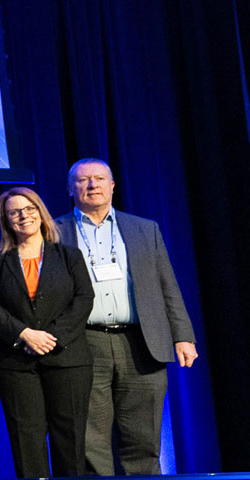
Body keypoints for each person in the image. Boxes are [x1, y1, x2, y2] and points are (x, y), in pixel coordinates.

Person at [54, 159, 198, 476]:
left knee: (143, 438)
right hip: (84, 342)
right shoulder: (53, 231)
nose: (92, 185)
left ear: (112, 185)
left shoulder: (145, 229)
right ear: (70, 188)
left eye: (99, 178)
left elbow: (167, 284)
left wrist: (183, 336)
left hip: (141, 342)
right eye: (83, 180)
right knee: (90, 440)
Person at [0, 187, 95, 478]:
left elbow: (84, 299)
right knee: (26, 440)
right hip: (15, 362)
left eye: (29, 209)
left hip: (67, 358)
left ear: (41, 213)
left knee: (69, 439)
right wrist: (24, 334)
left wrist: (50, 338)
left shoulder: (69, 256)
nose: (23, 216)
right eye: (14, 212)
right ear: (6, 220)